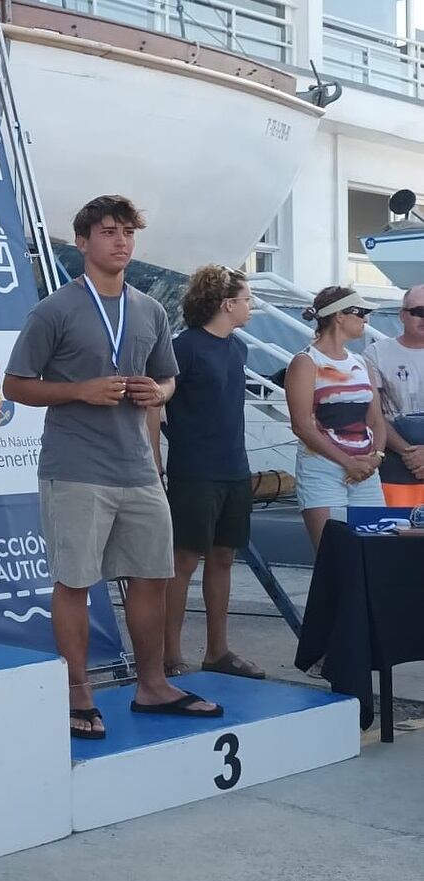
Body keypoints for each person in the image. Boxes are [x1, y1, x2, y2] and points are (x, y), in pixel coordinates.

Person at [3, 195, 223, 740]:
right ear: (82, 242)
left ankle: (151, 685)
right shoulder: (54, 309)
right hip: (75, 469)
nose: (121, 241)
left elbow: (168, 377)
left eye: (128, 232)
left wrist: (159, 390)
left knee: (153, 577)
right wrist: (78, 390)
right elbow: (13, 385)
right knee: (74, 582)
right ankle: (78, 692)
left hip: (139, 469)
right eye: (108, 231)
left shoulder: (148, 309)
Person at [147, 266, 264, 680]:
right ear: (226, 303)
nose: (251, 305)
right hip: (194, 469)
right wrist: (156, 461)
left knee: (224, 557)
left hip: (234, 467)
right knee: (183, 561)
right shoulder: (184, 348)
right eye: (247, 298)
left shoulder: (238, 349)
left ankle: (218, 651)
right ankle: (169, 655)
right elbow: (154, 402)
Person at [285, 286, 387, 551]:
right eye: (361, 312)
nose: (366, 319)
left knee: (373, 554)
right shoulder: (306, 362)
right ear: (339, 316)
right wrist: (347, 463)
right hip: (322, 471)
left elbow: (376, 419)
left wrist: (376, 457)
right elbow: (302, 425)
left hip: (365, 471)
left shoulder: (362, 362)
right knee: (333, 557)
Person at [361, 284, 424, 507]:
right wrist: (410, 453)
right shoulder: (377, 353)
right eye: (419, 312)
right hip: (396, 463)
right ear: (402, 315)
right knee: (396, 534)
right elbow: (373, 413)